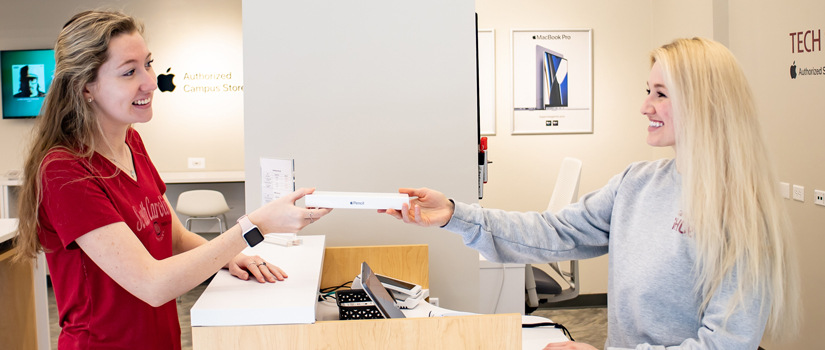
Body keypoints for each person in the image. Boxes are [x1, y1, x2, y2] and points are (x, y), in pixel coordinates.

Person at [383, 38, 800, 349]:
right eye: (647, 90)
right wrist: (454, 214)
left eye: (660, 93)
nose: (644, 106)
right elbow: (551, 232)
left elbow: (724, 344)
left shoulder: (742, 212)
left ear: (704, 102)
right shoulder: (637, 183)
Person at [12, 10, 332, 350]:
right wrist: (255, 226)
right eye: (129, 72)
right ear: (86, 86)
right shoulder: (64, 170)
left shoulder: (131, 143)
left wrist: (229, 256)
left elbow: (175, 237)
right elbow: (152, 284)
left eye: (148, 64)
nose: (151, 82)